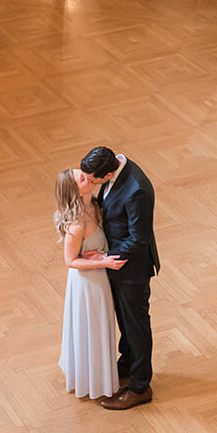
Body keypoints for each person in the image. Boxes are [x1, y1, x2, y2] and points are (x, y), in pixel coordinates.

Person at [77, 144, 160, 409]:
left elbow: (139, 239)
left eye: (93, 180)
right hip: (116, 265)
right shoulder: (115, 169)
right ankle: (126, 363)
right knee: (125, 319)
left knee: (136, 326)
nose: (89, 183)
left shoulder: (138, 190)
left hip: (131, 270)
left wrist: (104, 257)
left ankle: (139, 387)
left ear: (108, 175)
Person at [54, 168, 125, 400]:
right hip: (87, 284)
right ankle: (93, 381)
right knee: (91, 328)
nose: (89, 178)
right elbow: (69, 261)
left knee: (99, 327)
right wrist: (101, 262)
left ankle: (100, 375)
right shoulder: (76, 225)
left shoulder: (95, 205)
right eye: (82, 179)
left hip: (98, 278)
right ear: (74, 190)